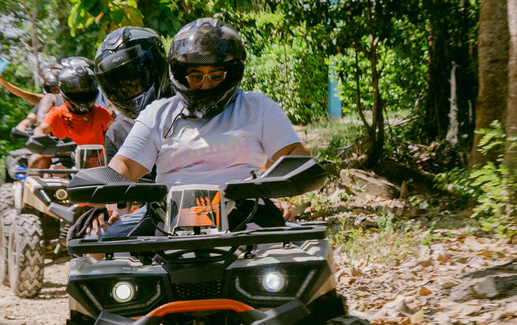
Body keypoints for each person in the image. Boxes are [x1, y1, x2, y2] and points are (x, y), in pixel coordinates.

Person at [85, 18, 309, 236]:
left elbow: (294, 154)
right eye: (196, 76)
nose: (206, 84)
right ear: (181, 74)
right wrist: (114, 191)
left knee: (307, 263)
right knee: (98, 259)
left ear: (231, 72)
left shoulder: (258, 107)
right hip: (167, 223)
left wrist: (275, 185)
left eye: (215, 75)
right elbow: (125, 164)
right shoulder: (158, 114)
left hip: (249, 217)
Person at [94, 26, 170, 161]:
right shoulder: (118, 132)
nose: (129, 86)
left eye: (135, 79)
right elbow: (116, 178)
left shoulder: (188, 113)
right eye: (121, 84)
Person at [29, 58, 114, 169]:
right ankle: (28, 185)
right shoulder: (57, 113)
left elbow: (114, 128)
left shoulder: (100, 112)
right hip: (65, 162)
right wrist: (41, 138)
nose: (81, 94)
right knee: (38, 159)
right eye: (76, 92)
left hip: (95, 164)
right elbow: (41, 129)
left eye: (85, 91)